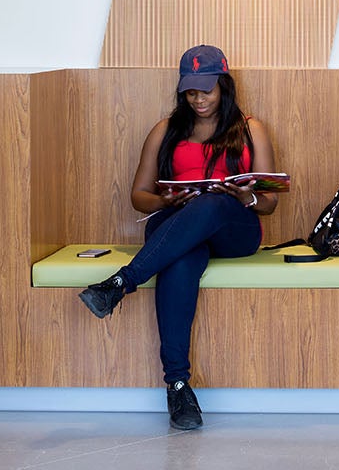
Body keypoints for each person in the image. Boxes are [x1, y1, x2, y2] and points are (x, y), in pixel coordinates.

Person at [78, 44, 277, 431]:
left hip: (233, 227)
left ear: (223, 85)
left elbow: (269, 202)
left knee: (210, 206)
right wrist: (166, 197)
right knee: (181, 257)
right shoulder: (165, 130)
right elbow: (140, 197)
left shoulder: (251, 129)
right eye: (191, 91)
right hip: (175, 225)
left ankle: (122, 282)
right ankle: (179, 387)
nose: (198, 99)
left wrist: (244, 195)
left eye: (206, 90)